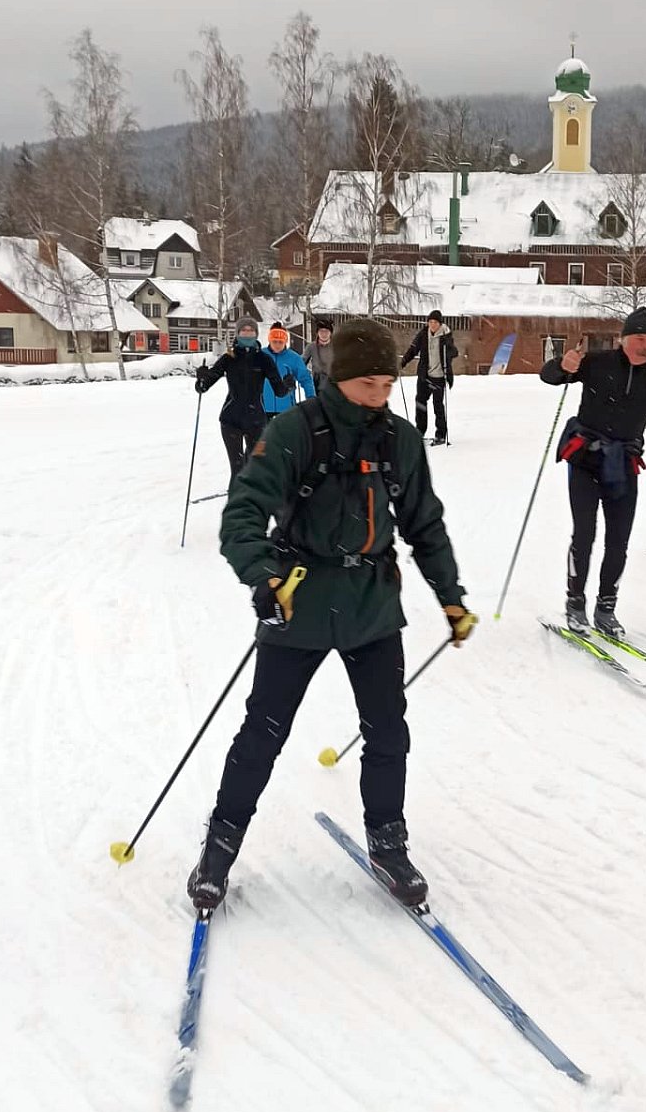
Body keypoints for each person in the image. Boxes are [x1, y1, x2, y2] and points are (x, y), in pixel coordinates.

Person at [187, 318, 476, 915]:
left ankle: (388, 842)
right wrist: (263, 576)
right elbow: (243, 513)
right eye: (369, 384)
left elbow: (423, 522)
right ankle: (220, 845)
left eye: (387, 385)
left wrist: (450, 595)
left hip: (372, 604)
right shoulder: (294, 430)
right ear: (340, 379)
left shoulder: (399, 438)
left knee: (387, 730)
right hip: (300, 599)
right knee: (264, 731)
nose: (380, 395)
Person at [540, 306, 646, 638]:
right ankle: (575, 604)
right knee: (584, 535)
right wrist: (562, 365)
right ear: (624, 339)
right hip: (586, 461)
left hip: (623, 465)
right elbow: (549, 376)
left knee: (618, 541)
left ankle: (606, 609)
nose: (645, 345)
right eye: (639, 338)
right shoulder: (596, 362)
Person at [196, 320, 294, 477]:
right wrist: (202, 379)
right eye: (244, 330)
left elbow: (279, 391)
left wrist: (288, 385)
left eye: (251, 330)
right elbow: (204, 386)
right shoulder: (229, 357)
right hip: (230, 421)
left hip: (257, 422)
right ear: (238, 333)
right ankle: (236, 493)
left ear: (256, 334)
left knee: (256, 468)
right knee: (237, 470)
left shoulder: (264, 359)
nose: (247, 334)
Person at [400, 309, 458, 444]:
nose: (432, 325)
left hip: (439, 377)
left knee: (438, 406)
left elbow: (454, 352)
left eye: (435, 322)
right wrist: (402, 363)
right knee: (420, 403)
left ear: (440, 324)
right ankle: (419, 431)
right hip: (424, 376)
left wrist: (449, 350)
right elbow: (413, 350)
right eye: (430, 322)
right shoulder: (423, 335)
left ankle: (441, 434)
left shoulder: (446, 335)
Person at [263, 323, 315, 419]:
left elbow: (306, 379)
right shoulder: (261, 355)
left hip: (287, 409)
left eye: (280, 342)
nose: (277, 345)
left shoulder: (294, 358)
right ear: (269, 340)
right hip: (263, 409)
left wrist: (311, 398)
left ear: (285, 341)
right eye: (274, 341)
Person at [308, 320, 335, 391]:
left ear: (330, 333)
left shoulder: (336, 346)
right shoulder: (312, 347)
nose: (324, 334)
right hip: (317, 382)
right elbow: (301, 363)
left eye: (326, 331)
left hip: (333, 382)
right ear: (317, 333)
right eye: (321, 331)